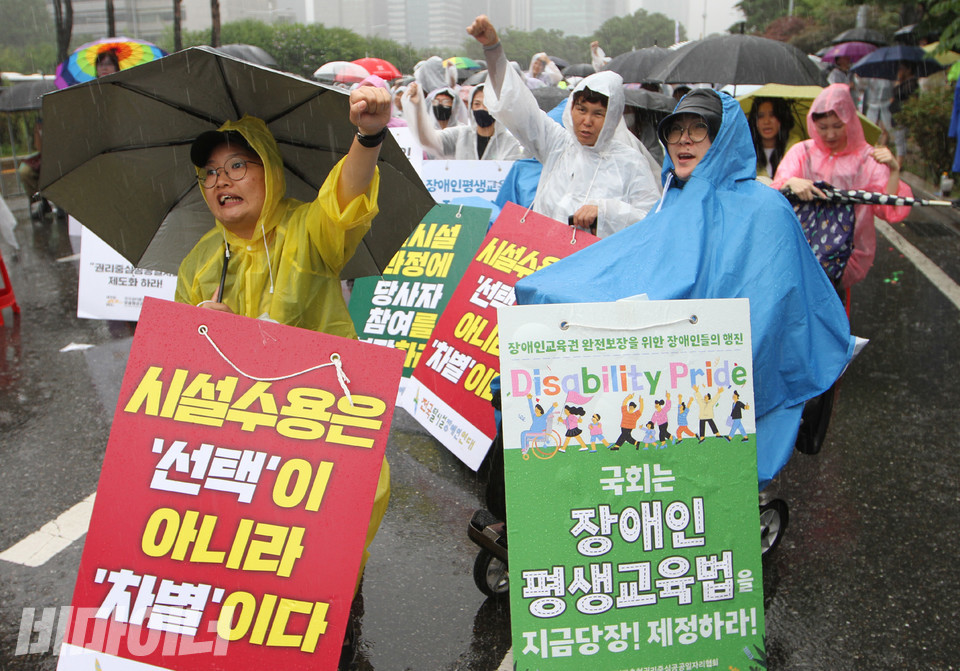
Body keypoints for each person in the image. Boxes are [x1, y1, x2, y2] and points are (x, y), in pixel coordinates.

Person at [514, 87, 855, 488]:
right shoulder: (672, 200)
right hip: (669, 357)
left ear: (724, 137)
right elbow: (641, 268)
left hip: (717, 372)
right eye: (676, 130)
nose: (684, 140)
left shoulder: (765, 209)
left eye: (700, 129)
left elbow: (772, 310)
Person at [175, 88, 393, 625]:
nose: (220, 181)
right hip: (242, 433)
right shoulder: (199, 263)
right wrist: (205, 330)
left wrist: (367, 137)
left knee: (335, 540)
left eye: (236, 166)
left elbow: (344, 201)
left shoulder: (307, 231)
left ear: (269, 172)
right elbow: (176, 371)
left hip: (318, 419)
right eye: (210, 173)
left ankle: (331, 603)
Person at [467, 15, 660, 238]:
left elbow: (650, 219)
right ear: (571, 108)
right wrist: (493, 49)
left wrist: (605, 212)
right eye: (581, 109)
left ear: (613, 117)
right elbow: (517, 106)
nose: (587, 121)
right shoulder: (558, 146)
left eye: (598, 114)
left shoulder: (629, 163)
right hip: (542, 259)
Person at [771, 83, 912, 288]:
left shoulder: (867, 158)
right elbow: (776, 191)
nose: (830, 135)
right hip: (802, 251)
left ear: (851, 121)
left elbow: (888, 208)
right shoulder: (803, 152)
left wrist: (893, 171)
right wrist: (790, 183)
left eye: (838, 126)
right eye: (823, 128)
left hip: (848, 257)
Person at [403, 82, 525, 160]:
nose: (481, 109)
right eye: (477, 104)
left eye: (487, 104)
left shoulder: (509, 143)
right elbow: (428, 140)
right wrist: (418, 108)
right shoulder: (459, 135)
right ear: (471, 107)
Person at [747, 97, 795, 180]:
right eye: (761, 116)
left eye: (772, 115)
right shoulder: (746, 153)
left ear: (782, 119)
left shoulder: (795, 151)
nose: (766, 122)